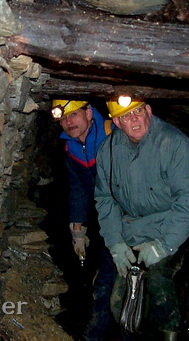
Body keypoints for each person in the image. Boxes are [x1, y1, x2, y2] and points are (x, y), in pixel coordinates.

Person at [94, 96, 189, 341]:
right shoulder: (108, 150)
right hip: (133, 227)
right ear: (116, 122)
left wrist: (164, 245)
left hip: (173, 224)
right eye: (125, 116)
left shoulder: (174, 143)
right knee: (119, 297)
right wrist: (115, 244)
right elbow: (105, 200)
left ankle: (170, 333)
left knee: (158, 282)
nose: (133, 120)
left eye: (137, 112)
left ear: (148, 110)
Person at [52, 99, 117, 341]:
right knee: (105, 279)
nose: (68, 122)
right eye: (64, 118)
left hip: (132, 218)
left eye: (74, 115)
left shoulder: (114, 135)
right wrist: (77, 228)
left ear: (89, 114)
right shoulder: (71, 148)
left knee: (125, 282)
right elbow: (79, 188)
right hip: (108, 220)